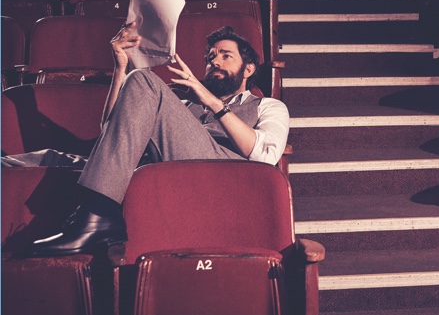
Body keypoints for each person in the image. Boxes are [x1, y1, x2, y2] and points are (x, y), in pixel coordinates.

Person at [3, 22, 290, 257]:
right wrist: (120, 68)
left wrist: (214, 102)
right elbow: (113, 131)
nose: (214, 60)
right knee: (49, 158)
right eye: (210, 56)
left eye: (225, 55)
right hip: (158, 165)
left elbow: (265, 156)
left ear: (249, 68)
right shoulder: (184, 103)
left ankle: (98, 215)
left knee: (144, 80)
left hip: (220, 175)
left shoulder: (268, 106)